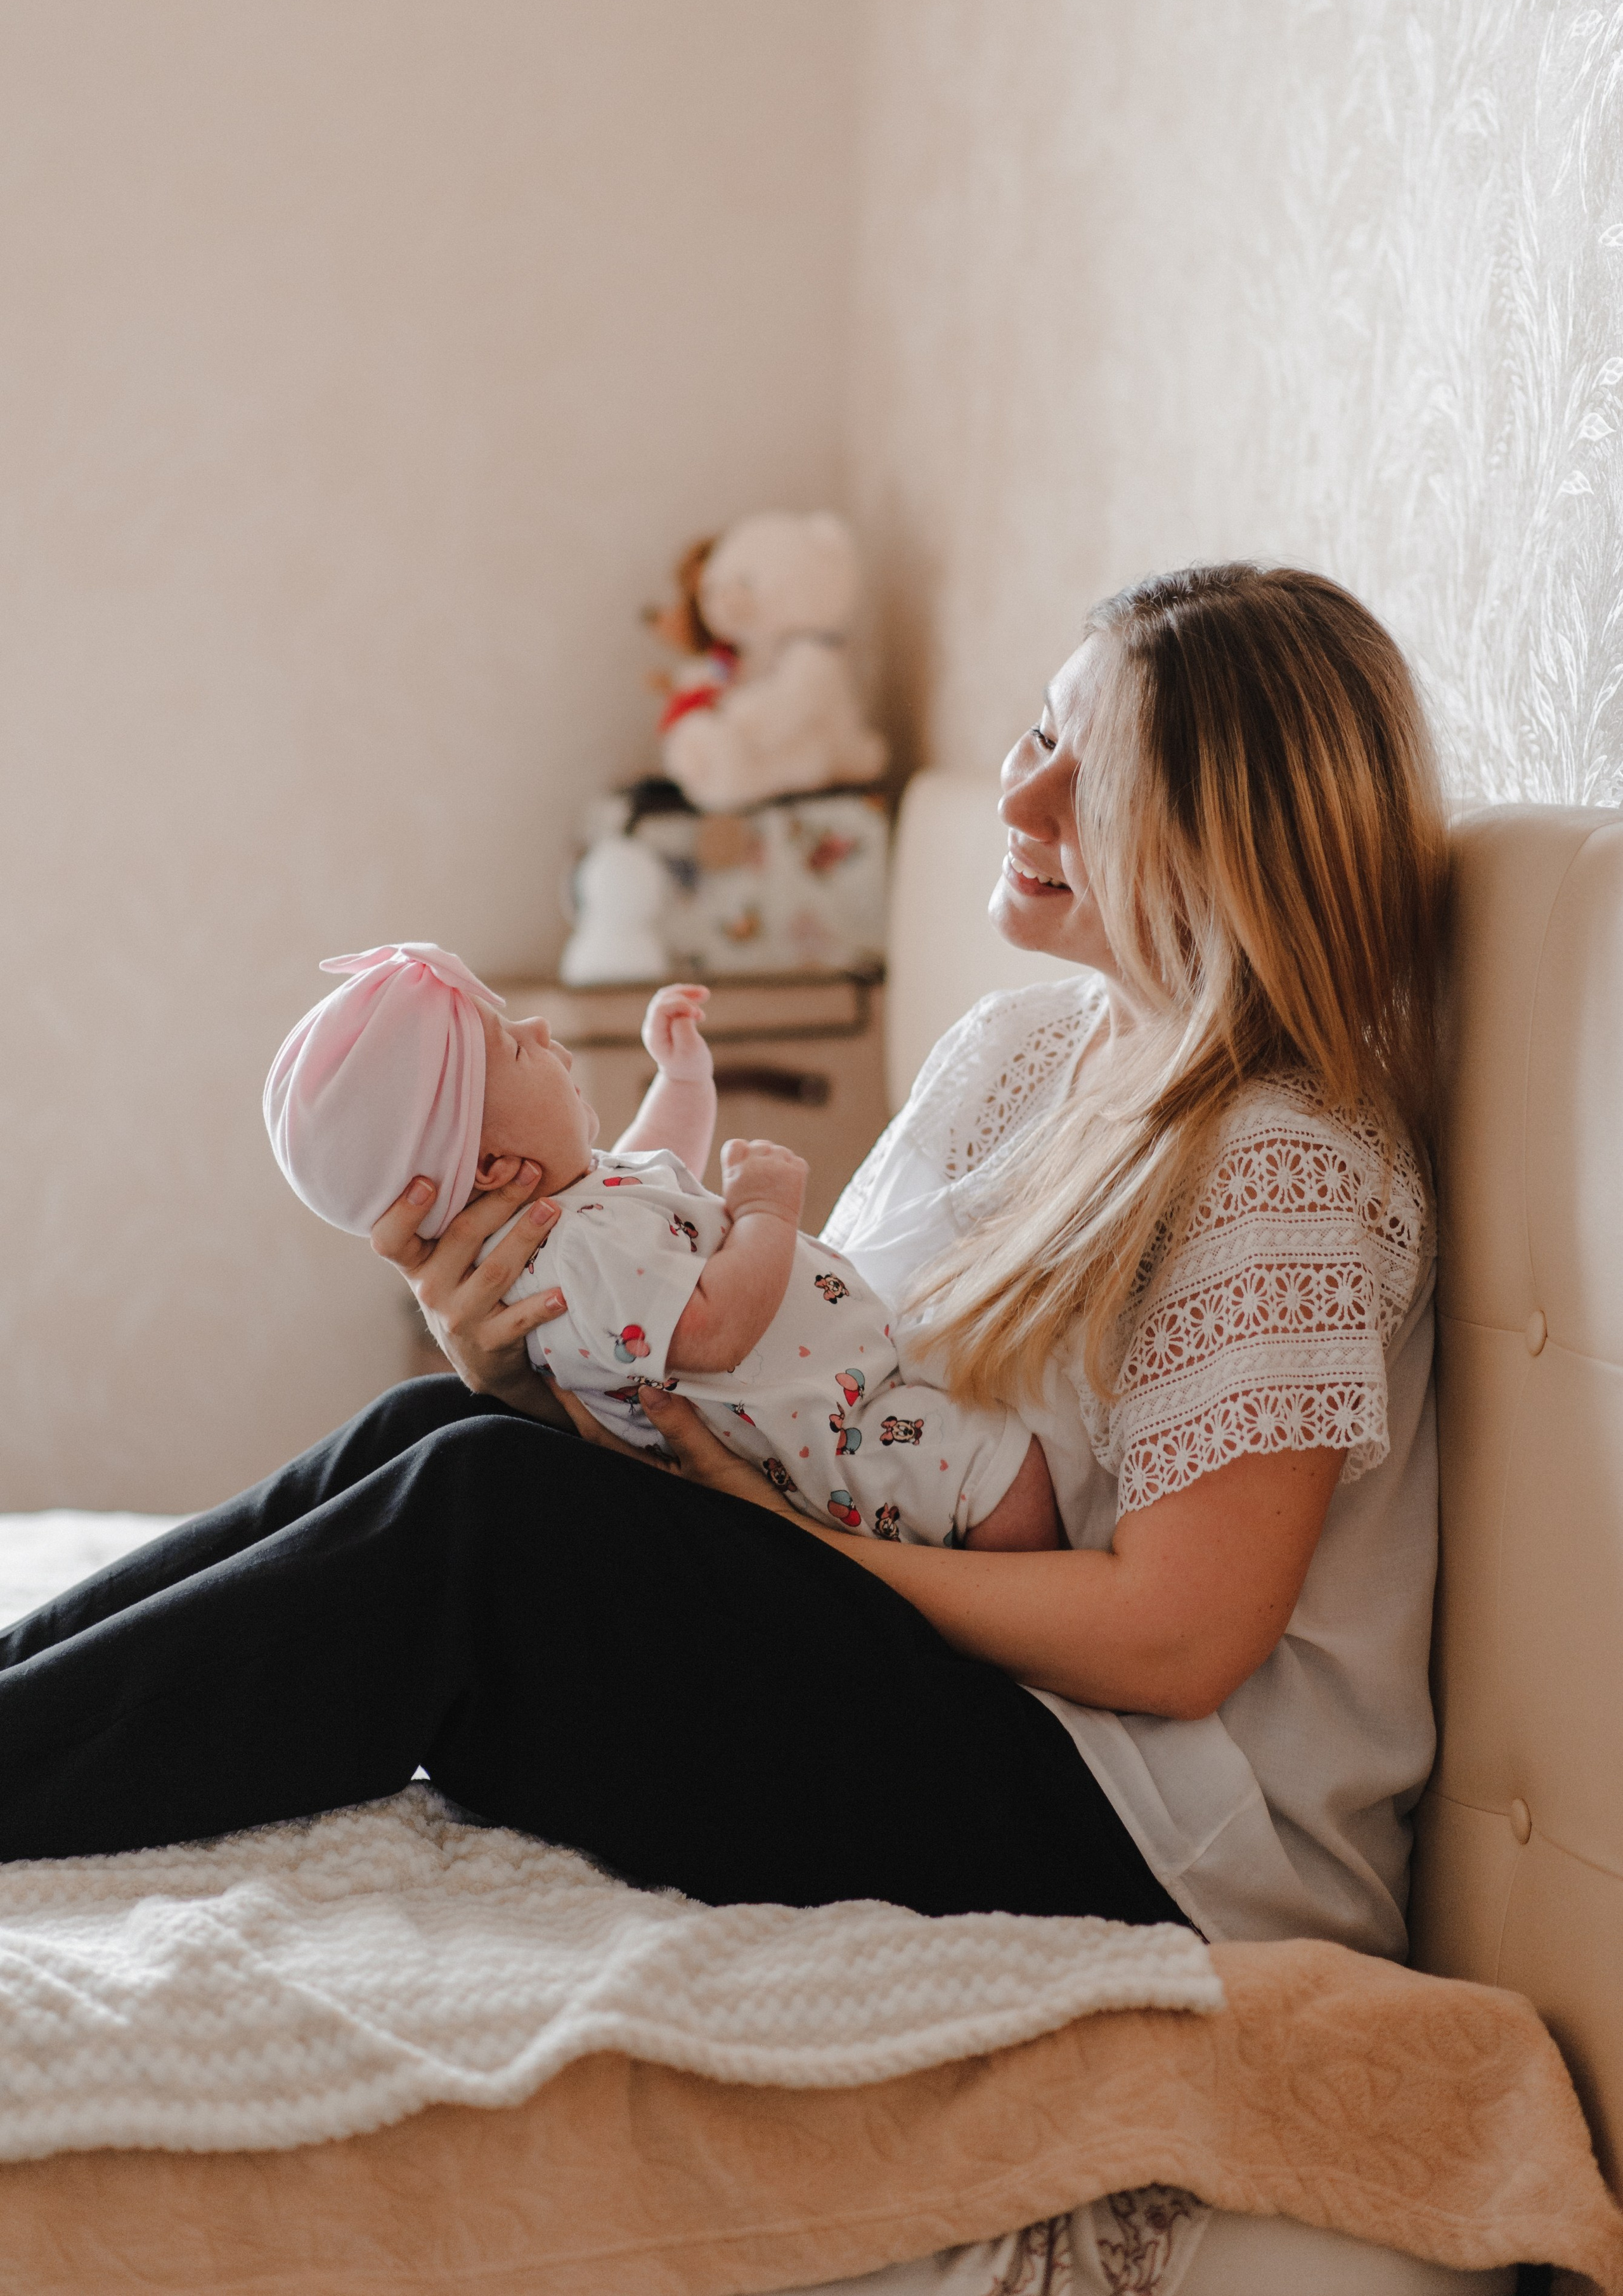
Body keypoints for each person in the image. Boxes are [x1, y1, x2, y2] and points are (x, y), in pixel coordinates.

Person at [0, 564, 1446, 1958]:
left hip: (1152, 1831)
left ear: (1230, 840)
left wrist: (791, 1544)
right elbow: (810, 1378)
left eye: (1097, 781)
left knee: (480, 1508)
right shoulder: (1013, 1047)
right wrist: (539, 1365)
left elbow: (1173, 1641)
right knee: (435, 1424)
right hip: (954, 1661)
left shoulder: (1281, 1164)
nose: (1020, 798)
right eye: (1040, 734)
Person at [262, 952, 1054, 1549]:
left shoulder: (570, 1219)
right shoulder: (573, 1253)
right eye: (514, 1049)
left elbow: (651, 1180)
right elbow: (712, 1329)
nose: (540, 1031)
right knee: (1004, 1475)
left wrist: (680, 1079)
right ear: (491, 1165)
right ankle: (1022, 1627)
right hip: (831, 1444)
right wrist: (766, 1210)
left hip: (832, 1399)